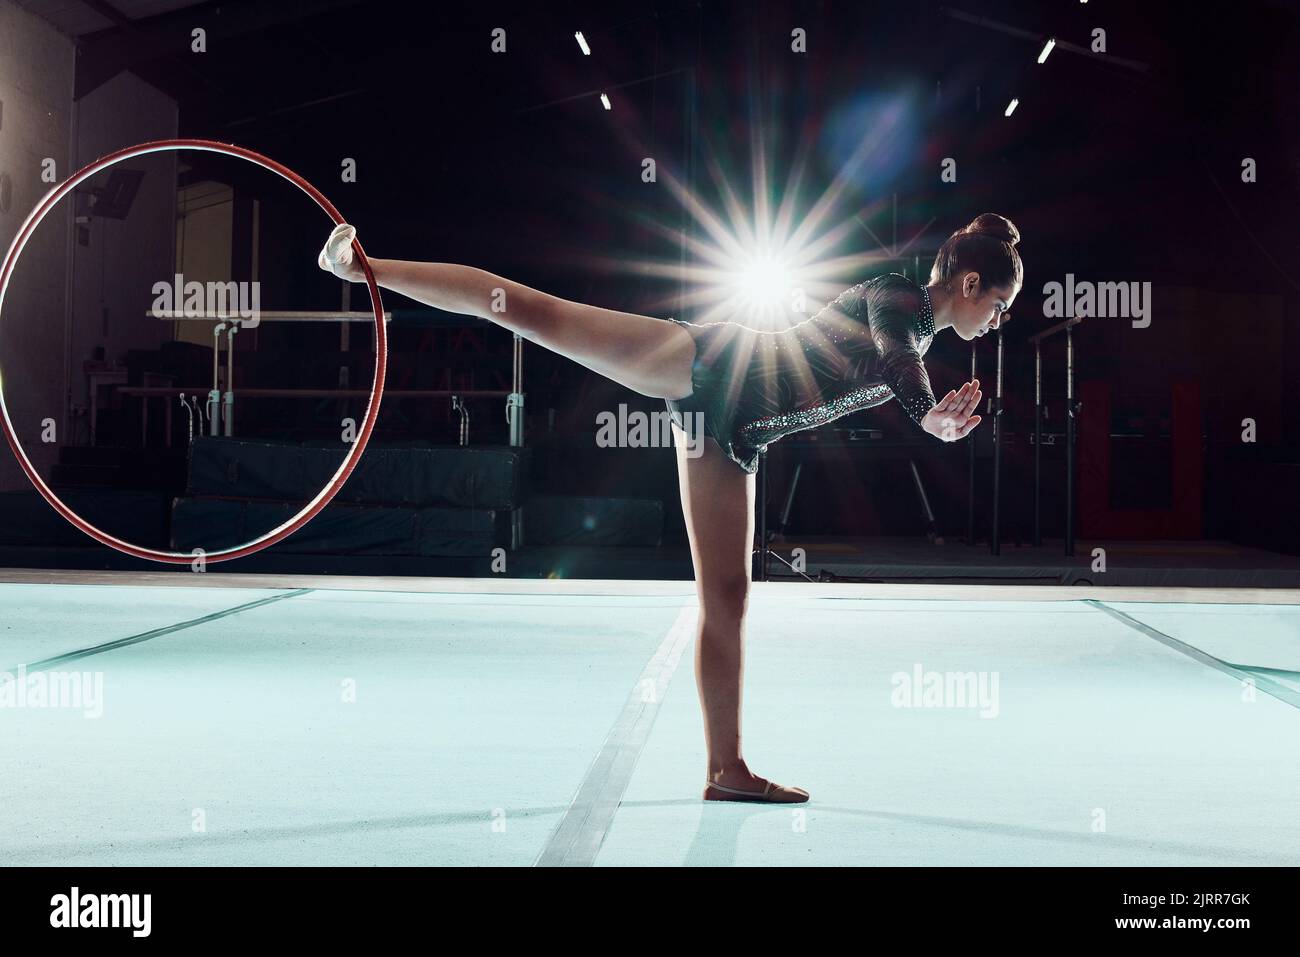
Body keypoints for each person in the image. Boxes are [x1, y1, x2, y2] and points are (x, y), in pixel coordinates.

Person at [318, 212, 1022, 803]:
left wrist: (928, 414)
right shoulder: (901, 298)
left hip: (737, 431)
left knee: (727, 595)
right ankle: (364, 267)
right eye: (999, 305)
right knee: (534, 311)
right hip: (713, 365)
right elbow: (898, 356)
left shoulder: (921, 325)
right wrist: (928, 416)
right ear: (969, 283)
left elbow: (902, 362)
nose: (999, 321)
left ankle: (726, 769)